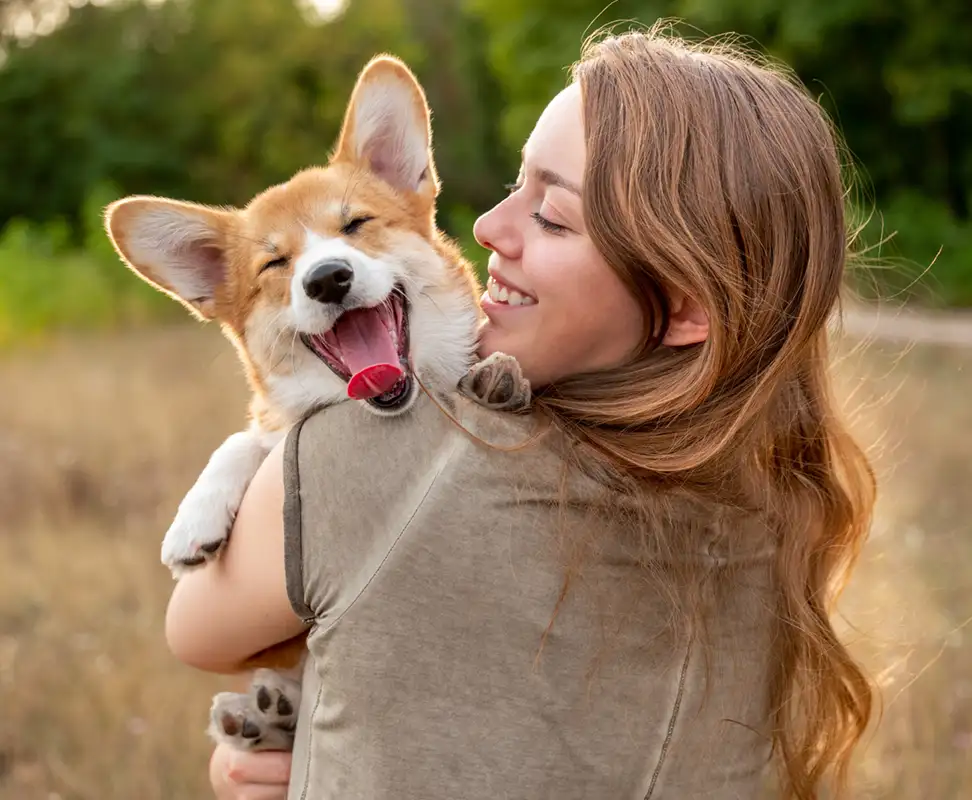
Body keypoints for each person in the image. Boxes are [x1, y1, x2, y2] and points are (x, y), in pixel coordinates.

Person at [166, 25, 875, 800]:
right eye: (516, 184)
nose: (485, 227)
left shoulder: (370, 459)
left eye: (554, 216)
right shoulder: (777, 508)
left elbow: (194, 631)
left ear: (680, 304)